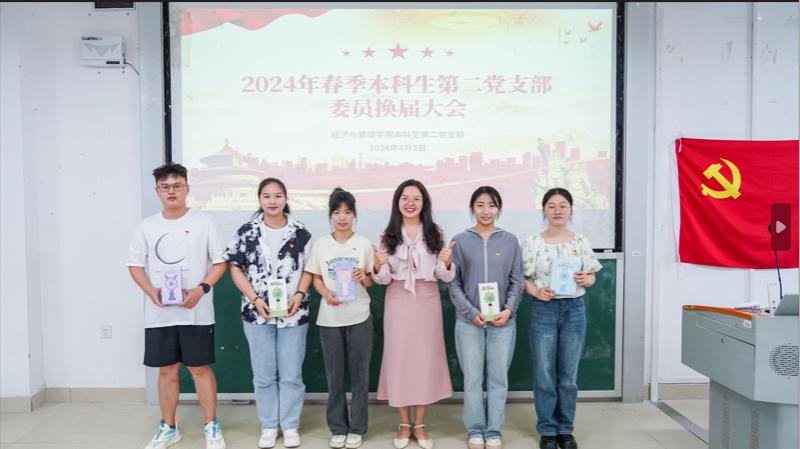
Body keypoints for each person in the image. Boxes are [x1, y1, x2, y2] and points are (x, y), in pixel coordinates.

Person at [126, 162, 228, 449]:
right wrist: (150, 291)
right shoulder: (147, 226)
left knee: (200, 369)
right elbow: (135, 264)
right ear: (157, 191)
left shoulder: (205, 221)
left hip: (197, 312)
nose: (171, 191)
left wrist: (201, 289)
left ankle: (211, 425)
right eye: (165, 187)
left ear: (187, 189)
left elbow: (220, 261)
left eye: (177, 186)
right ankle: (169, 428)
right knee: (167, 370)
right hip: (160, 313)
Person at [224, 178, 313, 449]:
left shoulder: (301, 232)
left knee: (291, 375)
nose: (272, 201)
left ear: (286, 198)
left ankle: (290, 425)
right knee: (263, 375)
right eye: (266, 196)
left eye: (277, 195)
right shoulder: (247, 231)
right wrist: (254, 299)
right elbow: (235, 268)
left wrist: (299, 294)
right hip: (257, 314)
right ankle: (269, 426)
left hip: (294, 314)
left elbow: (310, 269)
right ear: (259, 199)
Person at [371, 180, 456, 449]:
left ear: (424, 203)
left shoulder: (436, 232)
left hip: (427, 300)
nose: (410, 203)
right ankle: (404, 423)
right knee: (400, 360)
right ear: (397, 202)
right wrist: (378, 266)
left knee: (424, 362)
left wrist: (447, 262)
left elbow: (443, 275)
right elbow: (383, 279)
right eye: (405, 198)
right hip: (397, 300)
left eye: (416, 198)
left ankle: (419, 424)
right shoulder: (387, 234)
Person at [521, 188, 602, 449]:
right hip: (543, 309)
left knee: (568, 376)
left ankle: (565, 430)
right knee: (544, 374)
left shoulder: (580, 241)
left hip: (574, 310)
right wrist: (536, 291)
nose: (557, 211)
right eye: (551, 206)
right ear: (544, 210)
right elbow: (520, 277)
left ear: (571, 210)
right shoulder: (533, 242)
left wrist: (587, 279)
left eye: (563, 205)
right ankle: (547, 430)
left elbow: (592, 275)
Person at [447, 186, 524, 449]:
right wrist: (471, 312)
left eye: (491, 205)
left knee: (498, 379)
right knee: (472, 379)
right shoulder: (459, 240)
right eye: (480, 205)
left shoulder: (510, 241)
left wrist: (508, 310)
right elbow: (453, 283)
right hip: (469, 322)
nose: (486, 210)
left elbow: (517, 281)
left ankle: (493, 431)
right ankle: (475, 430)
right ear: (472, 208)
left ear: (499, 208)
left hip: (503, 323)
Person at [304, 188, 376, 449]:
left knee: (360, 377)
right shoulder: (321, 244)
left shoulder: (364, 244)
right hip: (330, 320)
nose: (342, 217)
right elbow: (316, 277)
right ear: (331, 216)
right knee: (334, 378)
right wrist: (326, 294)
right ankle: (337, 427)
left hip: (360, 318)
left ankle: (357, 428)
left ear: (354, 214)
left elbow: (371, 280)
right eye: (337, 212)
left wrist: (363, 277)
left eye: (347, 212)